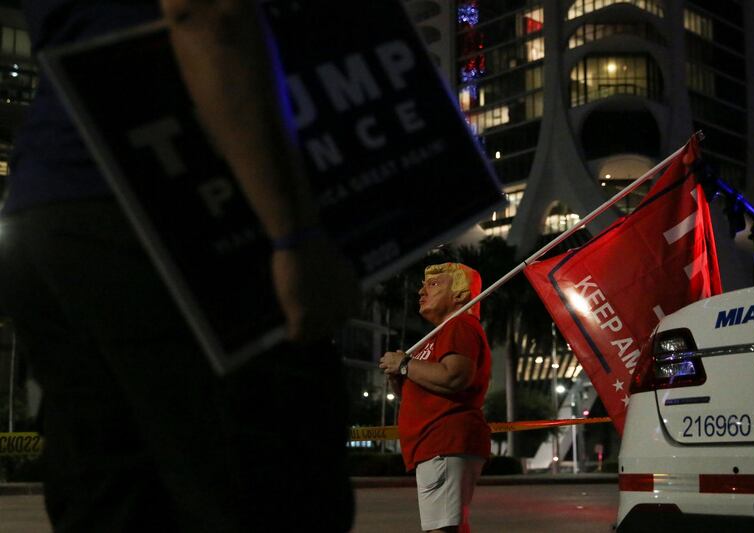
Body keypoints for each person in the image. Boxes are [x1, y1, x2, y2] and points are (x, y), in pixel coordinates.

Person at [0, 0, 358, 531]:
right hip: (175, 202)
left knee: (111, 500)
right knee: (272, 490)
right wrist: (295, 233)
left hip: (48, 206)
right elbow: (205, 13)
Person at [379, 262, 492, 533]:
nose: (421, 291)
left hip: (444, 441)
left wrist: (405, 365)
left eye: (433, 284)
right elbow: (430, 387)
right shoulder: (443, 332)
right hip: (439, 444)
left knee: (441, 529)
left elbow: (455, 377)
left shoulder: (460, 325)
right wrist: (402, 378)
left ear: (461, 295)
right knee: (448, 527)